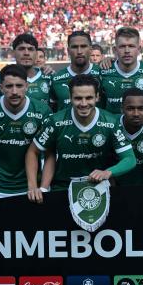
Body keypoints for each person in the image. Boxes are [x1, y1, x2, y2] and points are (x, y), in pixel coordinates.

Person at [26, 74, 136, 202]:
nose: (84, 104)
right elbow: (32, 152)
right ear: (70, 98)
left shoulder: (111, 122)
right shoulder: (55, 121)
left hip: (97, 188)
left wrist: (107, 172)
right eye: (78, 98)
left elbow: (130, 159)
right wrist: (33, 187)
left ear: (97, 97)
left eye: (89, 98)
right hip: (62, 188)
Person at [0, 65, 52, 201]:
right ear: (1, 87)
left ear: (27, 86)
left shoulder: (42, 111)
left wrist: (43, 187)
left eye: (19, 85)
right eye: (9, 86)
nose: (14, 91)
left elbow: (50, 154)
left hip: (32, 188)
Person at [98, 27, 143, 114]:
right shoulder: (103, 71)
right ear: (115, 50)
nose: (127, 51)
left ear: (139, 49)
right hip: (112, 126)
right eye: (122, 46)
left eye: (131, 46)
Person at [0, 34, 51, 105]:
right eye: (21, 49)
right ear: (13, 53)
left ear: (36, 54)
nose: (26, 53)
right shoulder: (0, 79)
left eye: (30, 49)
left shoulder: (49, 77)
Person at [49, 31, 100, 112]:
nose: (79, 51)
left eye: (83, 46)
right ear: (68, 50)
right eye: (74, 47)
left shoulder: (102, 73)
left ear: (90, 49)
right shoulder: (56, 78)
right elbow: (52, 109)